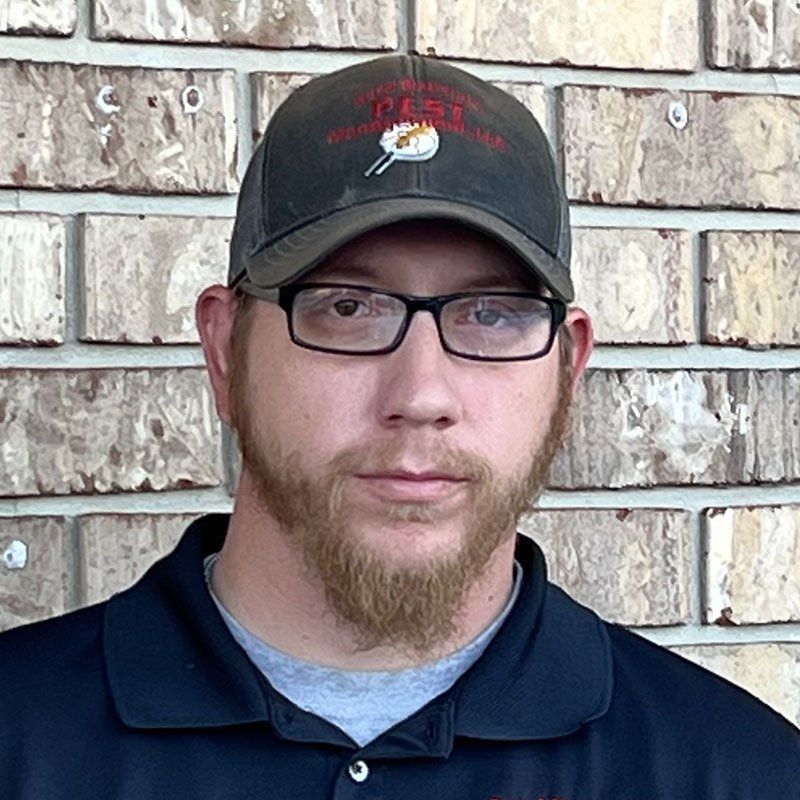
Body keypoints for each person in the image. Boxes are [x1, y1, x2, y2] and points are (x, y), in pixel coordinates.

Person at [0, 53, 797, 799]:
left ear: (568, 367)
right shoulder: (21, 738)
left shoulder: (737, 770)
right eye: (347, 306)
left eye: (493, 313)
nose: (421, 393)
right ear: (223, 350)